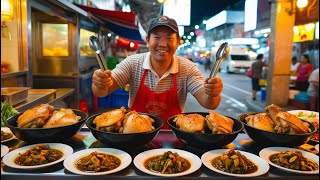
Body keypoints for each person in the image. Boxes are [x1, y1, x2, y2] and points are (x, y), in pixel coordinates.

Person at [92, 16, 223, 129]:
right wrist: (100, 82)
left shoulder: (188, 68)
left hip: (173, 136)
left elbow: (209, 103)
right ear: (148, 40)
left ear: (178, 42)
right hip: (135, 134)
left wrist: (213, 93)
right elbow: (102, 91)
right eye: (157, 37)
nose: (163, 43)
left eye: (169, 38)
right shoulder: (132, 63)